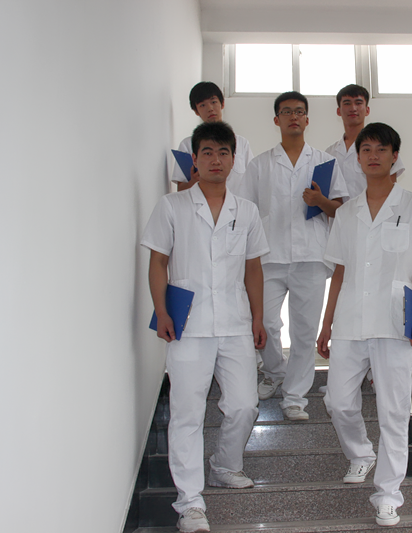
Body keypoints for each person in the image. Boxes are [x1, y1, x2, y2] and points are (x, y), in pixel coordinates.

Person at [142, 122, 269, 533]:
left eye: (224, 152)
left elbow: (253, 268)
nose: (216, 160)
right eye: (208, 152)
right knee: (187, 413)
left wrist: (257, 317)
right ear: (194, 160)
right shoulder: (172, 206)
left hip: (234, 322)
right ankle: (190, 504)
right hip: (188, 325)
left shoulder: (246, 211)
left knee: (245, 404)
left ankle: (225, 465)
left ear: (234, 159)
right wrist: (161, 310)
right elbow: (158, 261)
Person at [317, 123, 412, 527]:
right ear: (357, 159)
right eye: (366, 149)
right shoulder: (347, 212)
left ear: (394, 156)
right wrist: (326, 324)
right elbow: (339, 272)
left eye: (381, 149)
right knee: (338, 401)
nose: (373, 155)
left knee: (394, 411)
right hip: (350, 320)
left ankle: (388, 496)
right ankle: (361, 453)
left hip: (395, 322)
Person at [237, 91, 348, 421]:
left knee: (303, 330)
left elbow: (340, 210)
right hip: (268, 257)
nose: (293, 117)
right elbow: (244, 212)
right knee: (266, 322)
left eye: (299, 111)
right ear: (277, 120)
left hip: (311, 256)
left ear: (307, 119)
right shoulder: (259, 165)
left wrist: (319, 201)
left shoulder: (325, 163)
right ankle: (275, 372)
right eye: (286, 112)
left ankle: (295, 397)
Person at [172, 81, 253, 194]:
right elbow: (180, 190)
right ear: (196, 111)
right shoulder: (187, 145)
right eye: (202, 105)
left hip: (236, 203)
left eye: (213, 102)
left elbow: (252, 181)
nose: (210, 108)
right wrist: (194, 181)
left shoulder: (241, 143)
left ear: (222, 104)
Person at [325, 84, 405, 199]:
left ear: (367, 110)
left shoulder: (383, 147)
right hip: (340, 211)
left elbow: (390, 189)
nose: (353, 108)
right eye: (347, 103)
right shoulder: (330, 153)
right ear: (338, 111)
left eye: (358, 103)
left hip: (373, 209)